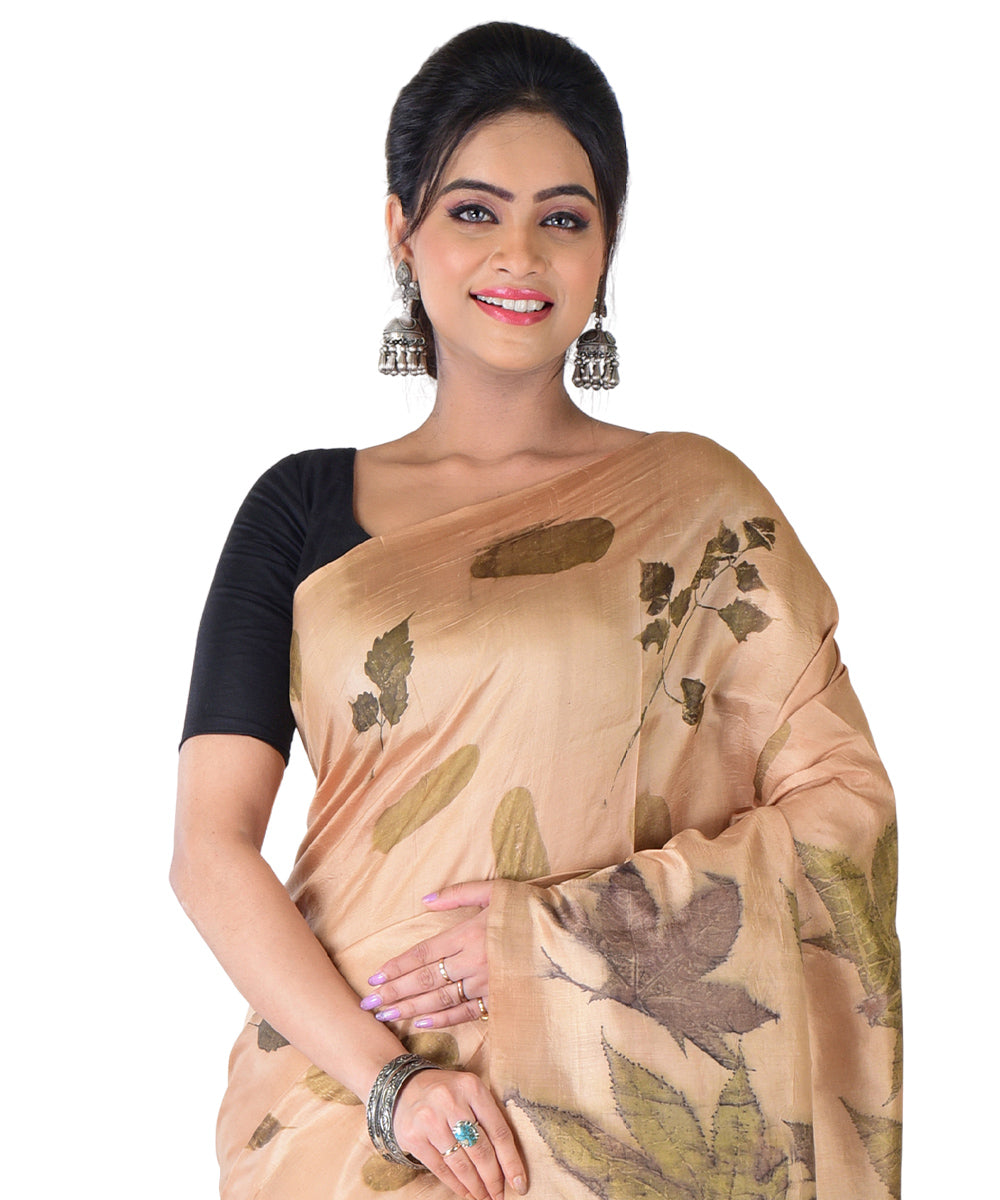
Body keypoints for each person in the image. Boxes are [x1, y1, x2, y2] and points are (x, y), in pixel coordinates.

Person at [173, 22, 902, 1200]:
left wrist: (570, 936)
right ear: (401, 228)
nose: (519, 253)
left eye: (563, 218)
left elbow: (844, 807)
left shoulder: (699, 507)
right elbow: (209, 850)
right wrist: (393, 1086)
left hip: (623, 1109)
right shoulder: (301, 507)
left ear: (605, 250)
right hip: (343, 1110)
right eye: (474, 211)